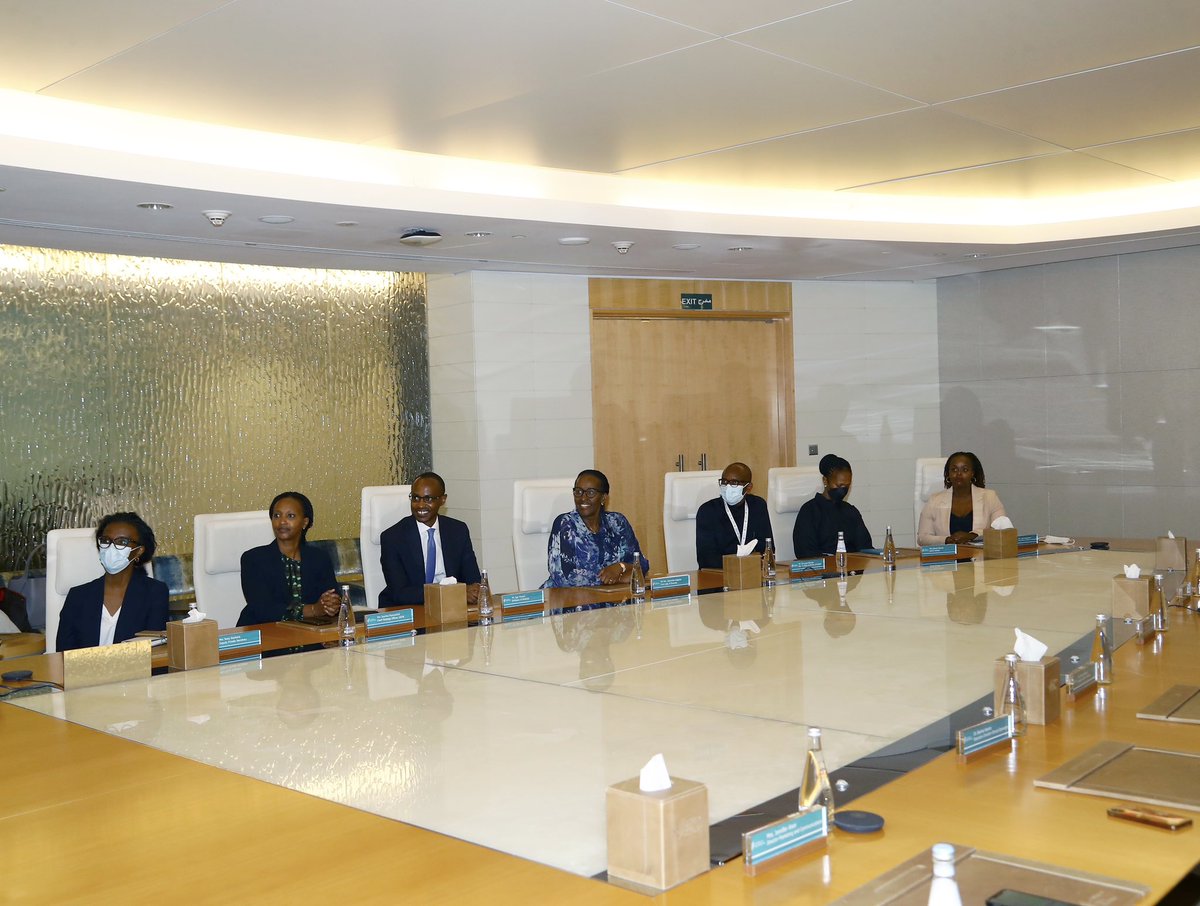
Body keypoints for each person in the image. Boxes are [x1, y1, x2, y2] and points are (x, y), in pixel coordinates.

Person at [56, 512, 169, 651]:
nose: (111, 548)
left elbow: (155, 650)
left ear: (139, 551)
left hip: (136, 670)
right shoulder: (77, 596)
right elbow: (63, 653)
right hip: (83, 670)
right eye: (106, 541)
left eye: (122, 542)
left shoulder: (154, 593)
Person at [379, 472, 481, 606]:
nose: (420, 505)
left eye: (428, 499)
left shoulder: (458, 530)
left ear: (443, 500)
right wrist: (453, 593)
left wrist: (475, 591)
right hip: (409, 611)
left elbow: (473, 580)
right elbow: (400, 593)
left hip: (451, 609)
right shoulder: (393, 537)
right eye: (415, 498)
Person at [238, 492, 339, 625]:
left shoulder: (319, 558)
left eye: (290, 516)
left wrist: (331, 605)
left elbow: (332, 595)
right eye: (277, 515)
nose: (282, 521)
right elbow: (262, 609)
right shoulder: (253, 559)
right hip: (264, 637)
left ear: (305, 522)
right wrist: (313, 610)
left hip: (310, 637)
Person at [545, 469, 649, 587]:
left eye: (590, 493)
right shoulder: (565, 524)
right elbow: (564, 577)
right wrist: (615, 577)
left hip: (612, 598)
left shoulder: (617, 522)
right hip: (568, 601)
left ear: (603, 498)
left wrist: (621, 567)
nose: (583, 498)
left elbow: (642, 564)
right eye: (578, 492)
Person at [694, 461, 773, 569]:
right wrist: (740, 563)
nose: (727, 486)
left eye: (734, 483)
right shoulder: (708, 511)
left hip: (752, 573)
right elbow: (706, 560)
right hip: (718, 576)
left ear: (748, 487)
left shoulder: (758, 506)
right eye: (724, 482)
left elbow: (768, 549)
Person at [918, 451, 1007, 546]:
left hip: (981, 558)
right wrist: (947, 540)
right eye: (954, 470)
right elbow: (922, 538)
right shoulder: (934, 500)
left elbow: (1002, 530)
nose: (959, 474)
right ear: (948, 473)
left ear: (972, 473)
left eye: (965, 470)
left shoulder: (990, 497)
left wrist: (973, 536)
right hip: (947, 558)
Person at [792, 454, 873, 557]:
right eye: (839, 485)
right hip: (822, 570)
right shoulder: (809, 511)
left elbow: (866, 548)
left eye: (847, 486)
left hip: (853, 569)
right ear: (825, 481)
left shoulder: (851, 511)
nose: (843, 490)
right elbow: (805, 552)